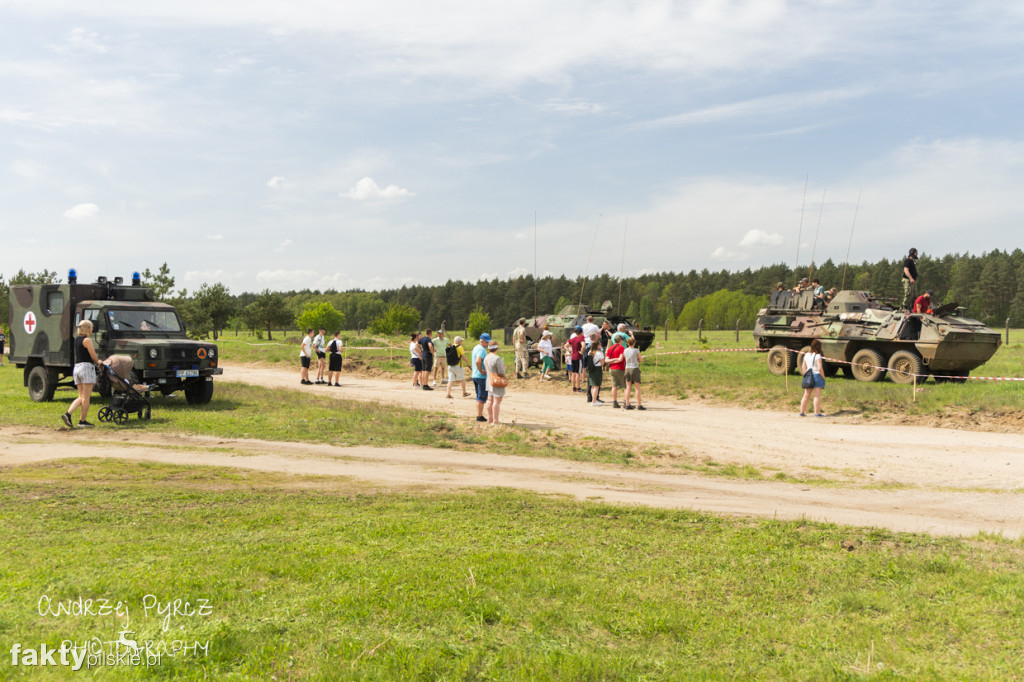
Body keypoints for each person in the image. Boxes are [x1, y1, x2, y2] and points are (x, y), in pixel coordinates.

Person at [61, 319, 102, 428]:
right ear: (88, 329)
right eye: (91, 327)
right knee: (86, 397)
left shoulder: (77, 340)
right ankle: (81, 421)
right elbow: (93, 357)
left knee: (81, 396)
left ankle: (68, 414)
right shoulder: (87, 340)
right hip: (86, 368)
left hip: (77, 368)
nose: (92, 329)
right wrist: (99, 362)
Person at [799, 338, 826, 417]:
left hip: (808, 375)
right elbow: (820, 369)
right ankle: (817, 413)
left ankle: (802, 412)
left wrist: (805, 375)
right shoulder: (818, 356)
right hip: (817, 375)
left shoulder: (806, 355)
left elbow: (803, 366)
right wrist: (823, 377)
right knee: (816, 396)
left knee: (806, 395)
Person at [483, 342, 507, 425]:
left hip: (489, 381)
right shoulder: (497, 358)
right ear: (497, 348)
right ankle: (495, 420)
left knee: (490, 400)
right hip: (497, 382)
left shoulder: (486, 358)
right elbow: (501, 372)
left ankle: (490, 419)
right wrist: (504, 368)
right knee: (496, 401)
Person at [471, 334, 491, 422]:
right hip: (481, 377)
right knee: (481, 397)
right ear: (482, 341)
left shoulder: (475, 347)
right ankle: (479, 416)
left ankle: (479, 414)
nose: (487, 344)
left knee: (479, 396)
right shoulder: (482, 350)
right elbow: (478, 361)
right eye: (486, 342)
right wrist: (481, 370)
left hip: (474, 376)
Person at [605, 331, 627, 408]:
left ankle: (614, 402)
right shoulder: (622, 348)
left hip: (612, 368)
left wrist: (612, 360)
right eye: (622, 340)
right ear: (620, 340)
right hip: (620, 368)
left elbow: (606, 360)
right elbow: (620, 359)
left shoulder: (610, 348)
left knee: (614, 386)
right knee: (625, 386)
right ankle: (625, 402)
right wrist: (616, 359)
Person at [623, 336, 645, 410]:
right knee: (637, 388)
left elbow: (625, 358)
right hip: (635, 368)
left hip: (627, 368)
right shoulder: (636, 350)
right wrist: (638, 359)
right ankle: (639, 405)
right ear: (634, 343)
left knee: (628, 387)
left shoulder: (625, 350)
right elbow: (641, 360)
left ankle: (627, 404)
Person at [585, 334, 605, 405]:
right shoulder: (600, 353)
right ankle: (594, 401)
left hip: (591, 369)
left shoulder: (590, 352)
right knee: (596, 385)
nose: (600, 345)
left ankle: (593, 399)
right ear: (597, 345)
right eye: (599, 344)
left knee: (592, 385)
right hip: (597, 369)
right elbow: (602, 363)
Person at [568, 325, 585, 393]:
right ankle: (578, 388)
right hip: (578, 357)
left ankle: (573, 388)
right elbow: (583, 345)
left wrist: (570, 351)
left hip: (573, 357)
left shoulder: (573, 339)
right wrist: (581, 352)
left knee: (573, 373)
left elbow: (565, 345)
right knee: (578, 373)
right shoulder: (581, 339)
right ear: (581, 332)